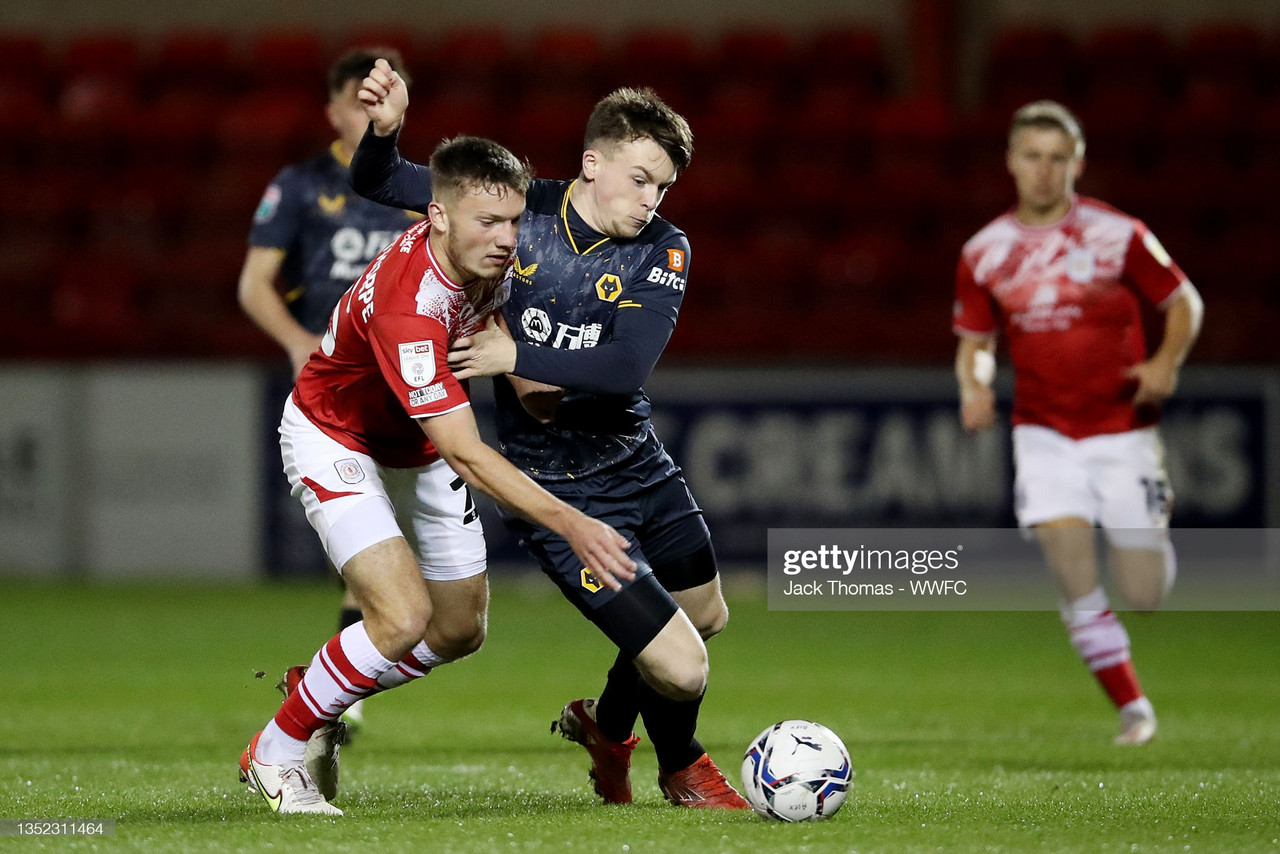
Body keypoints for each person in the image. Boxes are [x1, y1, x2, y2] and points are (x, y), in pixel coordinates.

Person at [351, 61, 750, 808]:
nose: (651, 199)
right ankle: (682, 768)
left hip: (641, 463)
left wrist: (514, 356)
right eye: (639, 178)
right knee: (683, 668)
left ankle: (603, 725)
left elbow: (626, 367)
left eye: (662, 186)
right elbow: (382, 181)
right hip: (560, 491)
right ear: (592, 162)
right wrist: (386, 129)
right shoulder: (515, 211)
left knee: (708, 617)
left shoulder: (663, 248)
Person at [237, 135, 637, 816]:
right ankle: (274, 752)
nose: (509, 238)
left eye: (515, 220)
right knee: (401, 616)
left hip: (413, 443)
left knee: (458, 631)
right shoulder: (410, 306)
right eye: (489, 222)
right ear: (438, 216)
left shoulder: (491, 255)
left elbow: (503, 340)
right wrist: (573, 522)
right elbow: (467, 454)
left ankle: (320, 688)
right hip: (335, 433)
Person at [952, 100, 1204, 746]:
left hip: (1123, 429)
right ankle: (1133, 708)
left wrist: (1165, 362)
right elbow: (976, 343)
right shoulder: (984, 253)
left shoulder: (1118, 234)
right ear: (1012, 161)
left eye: (1057, 158)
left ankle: (1152, 526)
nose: (1044, 170)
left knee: (1143, 589)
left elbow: (1184, 303)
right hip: (1043, 434)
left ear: (1077, 163)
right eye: (1032, 156)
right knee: (1071, 569)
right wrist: (976, 389)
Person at [237, 47, 419, 732]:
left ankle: (331, 692)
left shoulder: (414, 188)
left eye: (384, 97)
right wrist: (293, 340)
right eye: (359, 100)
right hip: (332, 393)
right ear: (335, 110)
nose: (370, 110)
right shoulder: (302, 185)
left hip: (405, 390)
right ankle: (335, 698)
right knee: (375, 562)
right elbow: (255, 284)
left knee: (397, 564)